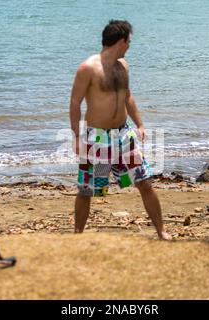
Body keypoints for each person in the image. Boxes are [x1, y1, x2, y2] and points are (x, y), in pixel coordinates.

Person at [69, 20, 171, 240]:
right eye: (129, 41)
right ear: (122, 40)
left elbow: (128, 96)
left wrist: (140, 124)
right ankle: (77, 236)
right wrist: (77, 136)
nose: (129, 45)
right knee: (87, 189)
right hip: (96, 137)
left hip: (124, 135)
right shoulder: (88, 68)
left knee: (144, 182)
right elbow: (75, 102)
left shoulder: (123, 65)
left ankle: (161, 231)